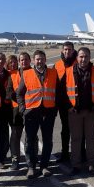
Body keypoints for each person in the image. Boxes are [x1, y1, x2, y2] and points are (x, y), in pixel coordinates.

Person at [16, 50, 59, 178]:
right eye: (37, 59)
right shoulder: (27, 73)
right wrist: (23, 109)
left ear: (45, 60)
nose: (39, 61)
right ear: (33, 61)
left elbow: (58, 93)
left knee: (47, 140)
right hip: (31, 112)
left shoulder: (53, 73)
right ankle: (31, 166)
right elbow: (19, 93)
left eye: (42, 59)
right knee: (29, 140)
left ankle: (44, 166)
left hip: (48, 112)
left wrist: (54, 109)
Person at [63, 47, 94, 175]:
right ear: (77, 58)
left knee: (90, 139)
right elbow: (62, 92)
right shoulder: (69, 71)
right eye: (81, 56)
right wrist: (68, 107)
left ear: (89, 57)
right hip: (74, 111)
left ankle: (91, 163)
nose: (83, 59)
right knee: (76, 139)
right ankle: (75, 165)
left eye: (86, 56)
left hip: (90, 111)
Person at [54, 41, 77, 163]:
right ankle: (64, 153)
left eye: (69, 49)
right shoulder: (57, 65)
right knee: (65, 129)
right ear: (62, 51)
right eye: (65, 49)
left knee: (78, 130)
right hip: (62, 104)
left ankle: (79, 152)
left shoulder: (78, 62)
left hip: (75, 103)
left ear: (73, 51)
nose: (67, 51)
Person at [6, 54, 26, 170]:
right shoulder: (8, 75)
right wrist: (20, 102)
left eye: (14, 62)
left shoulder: (23, 72)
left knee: (31, 135)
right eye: (10, 62)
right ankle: (15, 158)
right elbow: (9, 92)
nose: (13, 64)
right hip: (15, 109)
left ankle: (31, 157)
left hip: (27, 107)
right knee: (15, 135)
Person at [0, 53, 12, 167]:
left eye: (2, 60)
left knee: (3, 135)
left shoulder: (8, 74)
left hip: (5, 109)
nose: (0, 62)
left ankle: (1, 158)